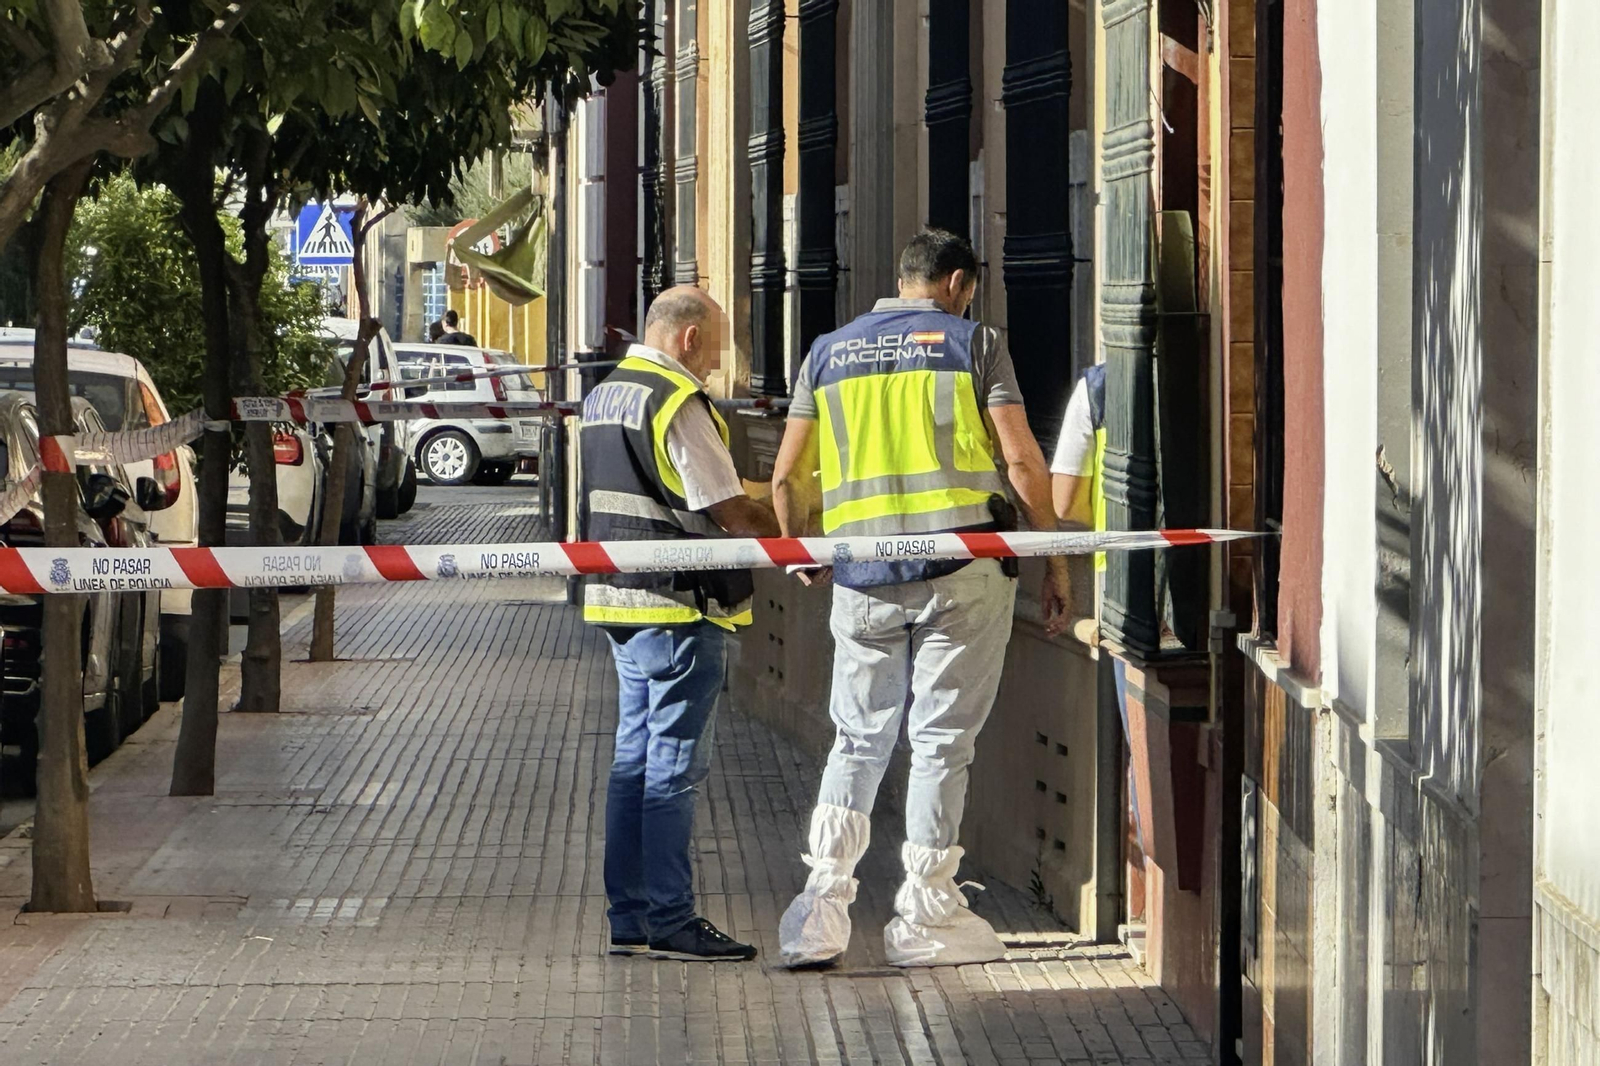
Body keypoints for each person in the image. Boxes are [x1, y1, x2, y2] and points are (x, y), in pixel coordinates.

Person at [771, 229, 1068, 968]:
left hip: (863, 576)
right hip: (962, 570)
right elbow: (1023, 459)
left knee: (858, 739)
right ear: (959, 283)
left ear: (901, 280)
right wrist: (1053, 559)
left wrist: (804, 550)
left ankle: (822, 909)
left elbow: (785, 479)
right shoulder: (973, 343)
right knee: (940, 744)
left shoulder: (828, 352)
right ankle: (926, 917)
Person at [582, 285, 779, 962]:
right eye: (717, 346)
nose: (718, 362)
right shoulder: (675, 400)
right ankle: (670, 916)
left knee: (632, 763)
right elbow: (724, 507)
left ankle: (629, 915)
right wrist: (789, 537)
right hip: (679, 607)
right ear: (688, 337)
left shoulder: (607, 392)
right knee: (671, 769)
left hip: (621, 603)